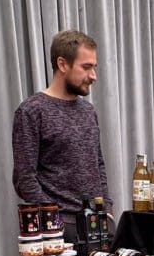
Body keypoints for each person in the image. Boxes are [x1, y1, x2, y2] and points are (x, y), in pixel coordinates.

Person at [11, 30, 110, 243]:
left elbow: (98, 164)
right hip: (61, 234)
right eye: (86, 67)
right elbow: (24, 179)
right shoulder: (31, 111)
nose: (93, 76)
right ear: (63, 64)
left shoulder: (88, 111)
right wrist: (56, 221)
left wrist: (107, 209)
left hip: (99, 225)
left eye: (94, 67)